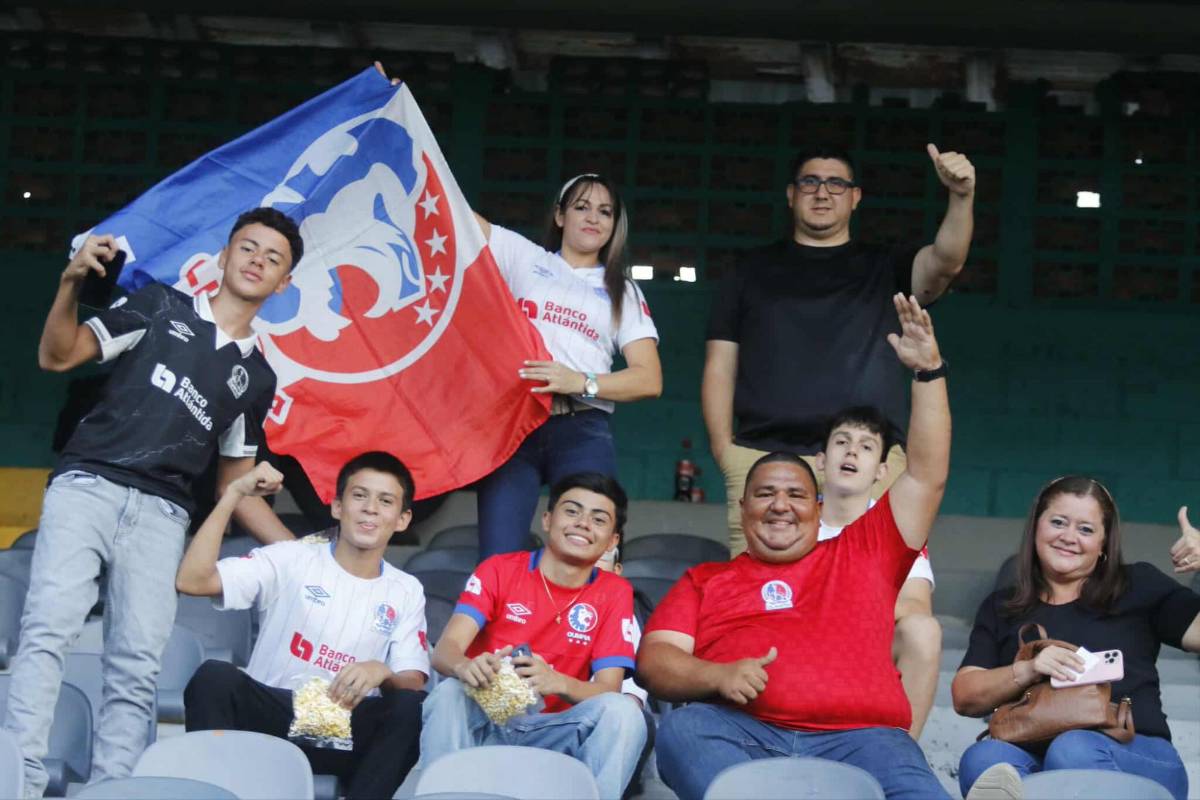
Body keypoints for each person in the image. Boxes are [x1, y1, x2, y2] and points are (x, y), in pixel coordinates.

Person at [4, 208, 300, 797]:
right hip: (89, 484)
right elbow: (58, 356)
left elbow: (232, 484)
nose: (257, 261)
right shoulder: (160, 304)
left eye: (273, 258)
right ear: (224, 255)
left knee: (137, 667)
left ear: (283, 284)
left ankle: (116, 791)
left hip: (165, 515)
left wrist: (303, 554)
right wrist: (69, 283)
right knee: (45, 634)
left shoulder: (258, 377)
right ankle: (19, 783)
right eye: (248, 247)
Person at [638, 294, 952, 800]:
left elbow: (926, 475)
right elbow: (655, 660)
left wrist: (929, 373)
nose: (780, 505)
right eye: (765, 494)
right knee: (683, 731)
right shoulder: (706, 581)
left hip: (861, 740)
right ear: (743, 509)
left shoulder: (863, 550)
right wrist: (716, 676)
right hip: (742, 734)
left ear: (817, 503)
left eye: (795, 495)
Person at [703, 143, 974, 555]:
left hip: (869, 461)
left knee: (866, 601)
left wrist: (960, 197)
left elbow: (946, 262)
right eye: (810, 182)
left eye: (835, 183)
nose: (822, 192)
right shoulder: (749, 269)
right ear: (791, 194)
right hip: (763, 455)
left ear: (855, 197)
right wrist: (725, 450)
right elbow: (720, 365)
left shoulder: (886, 265)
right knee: (762, 602)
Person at [178, 453, 429, 800]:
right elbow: (193, 580)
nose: (371, 508)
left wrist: (381, 671)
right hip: (271, 721)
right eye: (359, 496)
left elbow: (413, 679)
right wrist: (234, 493)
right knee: (213, 677)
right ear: (337, 507)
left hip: (342, 730)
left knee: (410, 708)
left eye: (385, 501)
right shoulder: (291, 557)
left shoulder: (406, 589)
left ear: (402, 519)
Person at [952, 476, 1200, 800]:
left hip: (1137, 756)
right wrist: (1029, 669)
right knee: (983, 759)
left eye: (1086, 529)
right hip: (1035, 750)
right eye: (1058, 522)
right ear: (1036, 528)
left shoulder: (1137, 585)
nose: (1069, 537)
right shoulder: (1003, 607)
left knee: (1072, 748)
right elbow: (965, 696)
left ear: (1103, 544)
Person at [420, 472, 646, 799]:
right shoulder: (500, 569)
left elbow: (608, 690)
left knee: (624, 712)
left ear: (612, 541)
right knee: (449, 694)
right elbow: (446, 650)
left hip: (556, 731)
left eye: (598, 519)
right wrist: (465, 667)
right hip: (489, 720)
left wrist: (558, 682)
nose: (583, 523)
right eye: (572, 511)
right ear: (547, 519)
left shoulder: (614, 591)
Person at [472, 176, 662, 560]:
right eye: (581, 206)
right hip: (515, 422)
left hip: (582, 427)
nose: (593, 218)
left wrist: (579, 381)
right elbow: (454, 217)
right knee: (498, 557)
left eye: (605, 211)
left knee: (590, 555)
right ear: (559, 215)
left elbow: (649, 378)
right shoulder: (525, 258)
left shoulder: (622, 290)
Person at [815, 405, 940, 739]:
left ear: (882, 470)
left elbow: (916, 606)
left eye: (866, 446)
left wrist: (845, 606)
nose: (852, 451)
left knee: (923, 631)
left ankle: (903, 755)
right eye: (841, 442)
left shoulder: (898, 526)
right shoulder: (789, 517)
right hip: (801, 648)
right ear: (820, 459)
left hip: (867, 651)